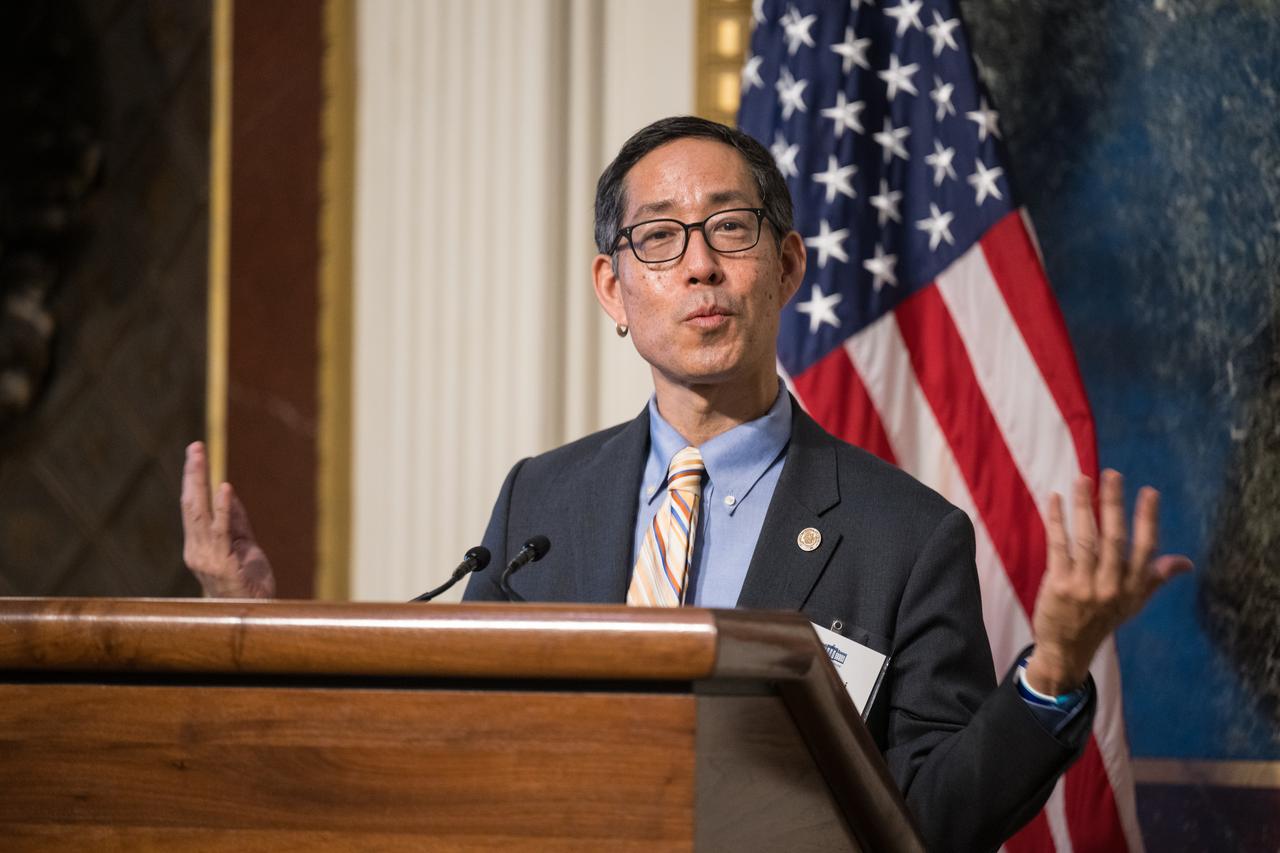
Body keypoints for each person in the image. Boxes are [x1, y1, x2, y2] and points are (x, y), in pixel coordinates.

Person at [182, 116, 1191, 851]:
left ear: (788, 265)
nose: (698, 266)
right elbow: (445, 747)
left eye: (730, 231)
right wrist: (259, 638)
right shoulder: (540, 499)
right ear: (613, 289)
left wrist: (1054, 662)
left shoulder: (904, 536)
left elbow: (929, 822)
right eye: (657, 238)